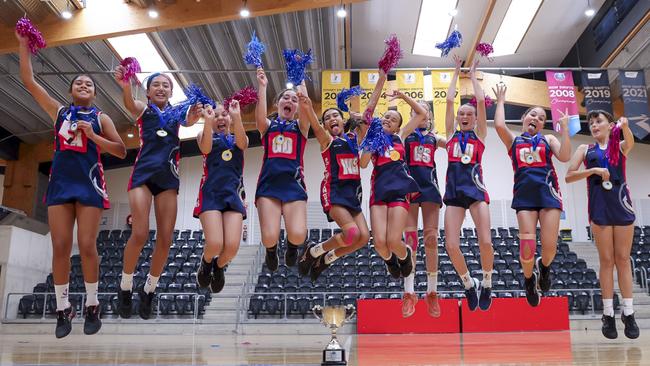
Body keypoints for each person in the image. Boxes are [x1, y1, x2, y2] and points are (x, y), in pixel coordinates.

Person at [16, 31, 126, 338]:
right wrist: (24, 45)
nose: (84, 85)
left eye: (89, 83)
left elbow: (120, 150)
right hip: (61, 185)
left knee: (88, 246)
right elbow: (28, 80)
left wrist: (93, 135)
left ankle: (92, 304)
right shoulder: (59, 112)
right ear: (70, 89)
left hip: (89, 184)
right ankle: (63, 308)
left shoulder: (102, 117)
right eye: (79, 82)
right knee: (61, 246)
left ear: (94, 93)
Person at [113, 67, 202, 319]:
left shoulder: (176, 113)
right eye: (156, 84)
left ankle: (149, 289)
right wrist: (125, 85)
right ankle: (126, 285)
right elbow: (130, 103)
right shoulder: (144, 109)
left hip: (168, 177)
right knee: (139, 233)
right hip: (143, 175)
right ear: (149, 91)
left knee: (166, 238)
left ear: (172, 91)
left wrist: (196, 112)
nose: (161, 88)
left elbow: (191, 120)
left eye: (166, 85)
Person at [493, 83, 571, 306]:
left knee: (549, 247)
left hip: (548, 195)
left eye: (542, 118)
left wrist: (564, 129)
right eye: (533, 114)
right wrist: (501, 101)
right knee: (526, 250)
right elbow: (499, 125)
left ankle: (544, 268)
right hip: (525, 198)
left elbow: (565, 157)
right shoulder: (514, 141)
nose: (537, 118)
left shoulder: (548, 139)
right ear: (524, 118)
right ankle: (529, 279)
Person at [565, 110, 639, 340]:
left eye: (599, 121)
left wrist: (625, 126)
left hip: (622, 205)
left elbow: (631, 142)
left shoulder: (620, 145)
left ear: (610, 125)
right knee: (607, 261)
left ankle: (629, 312)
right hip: (599, 208)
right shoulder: (584, 150)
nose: (595, 125)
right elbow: (569, 176)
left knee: (623, 259)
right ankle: (608, 314)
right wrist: (594, 170)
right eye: (592, 122)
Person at [359, 69, 427, 287]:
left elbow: (420, 115)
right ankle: (390, 260)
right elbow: (363, 163)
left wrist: (402, 97)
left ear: (399, 125)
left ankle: (405, 255)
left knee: (392, 240)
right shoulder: (374, 137)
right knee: (379, 243)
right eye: (386, 116)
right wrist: (369, 141)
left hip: (399, 191)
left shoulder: (401, 136)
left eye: (393, 118)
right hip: (378, 191)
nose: (388, 118)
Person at [296, 92, 370, 281]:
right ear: (326, 125)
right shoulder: (327, 141)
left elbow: (368, 117)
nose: (331, 119)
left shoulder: (354, 138)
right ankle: (314, 251)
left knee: (363, 238)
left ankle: (327, 258)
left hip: (353, 194)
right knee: (351, 233)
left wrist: (381, 78)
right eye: (327, 118)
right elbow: (314, 123)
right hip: (334, 191)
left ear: (343, 120)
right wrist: (308, 106)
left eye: (335, 115)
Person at [443, 56, 493, 311]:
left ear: (474, 119)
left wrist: (472, 74)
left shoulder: (480, 135)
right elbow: (449, 101)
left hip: (476, 192)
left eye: (468, 114)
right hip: (453, 194)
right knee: (451, 245)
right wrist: (455, 72)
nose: (464, 116)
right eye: (461, 113)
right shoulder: (451, 135)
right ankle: (468, 283)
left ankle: (486, 282)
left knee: (485, 241)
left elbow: (482, 101)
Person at [254, 68, 309, 271]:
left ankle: (292, 247)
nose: (290, 101)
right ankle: (271, 251)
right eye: (286, 98)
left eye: (294, 100)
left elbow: (305, 104)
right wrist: (262, 86)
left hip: (293, 185)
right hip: (269, 186)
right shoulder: (268, 126)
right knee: (269, 237)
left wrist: (300, 78)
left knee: (298, 234)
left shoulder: (301, 127)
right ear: (278, 104)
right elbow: (259, 116)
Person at [193, 100, 248, 293]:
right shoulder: (204, 133)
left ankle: (218, 267)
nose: (220, 118)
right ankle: (206, 261)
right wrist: (207, 122)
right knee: (215, 244)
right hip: (210, 194)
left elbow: (243, 143)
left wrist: (237, 117)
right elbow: (206, 148)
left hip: (233, 194)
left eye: (223, 114)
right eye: (215, 115)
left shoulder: (238, 138)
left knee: (231, 248)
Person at [402, 101, 446, 317]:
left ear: (429, 116)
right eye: (416, 112)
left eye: (425, 112)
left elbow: (451, 144)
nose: (422, 115)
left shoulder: (434, 138)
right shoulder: (405, 135)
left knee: (431, 240)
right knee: (410, 242)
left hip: (430, 189)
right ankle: (409, 292)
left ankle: (432, 291)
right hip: (409, 189)